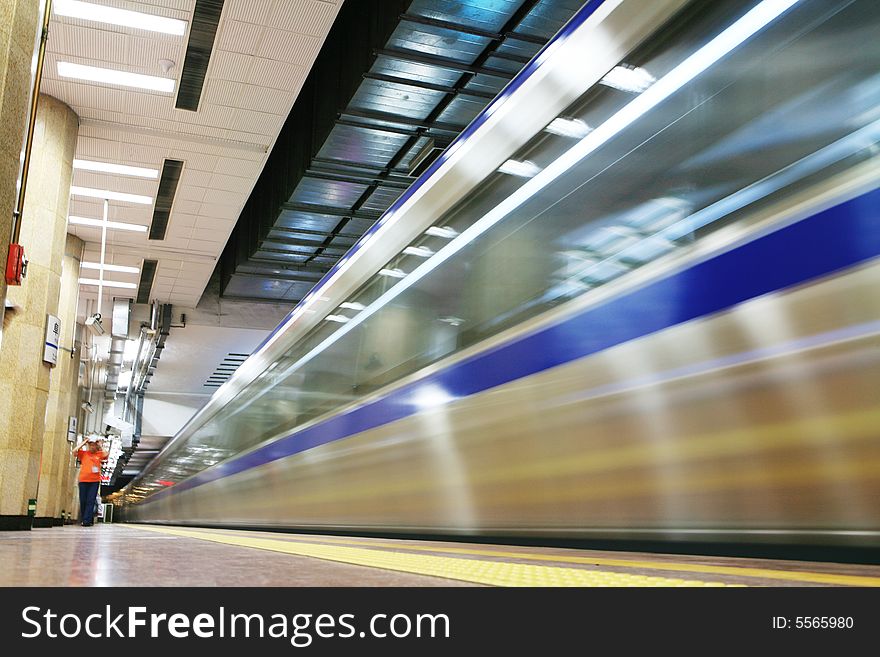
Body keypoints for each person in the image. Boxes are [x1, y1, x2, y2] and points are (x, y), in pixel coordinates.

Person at [74, 436, 107, 527]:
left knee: (91, 500)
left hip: (94, 481)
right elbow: (74, 451)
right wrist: (84, 442)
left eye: (94, 445)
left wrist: (100, 445)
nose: (92, 447)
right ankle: (87, 518)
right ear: (88, 446)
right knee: (83, 500)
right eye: (90, 445)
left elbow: (106, 454)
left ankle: (86, 521)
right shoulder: (84, 454)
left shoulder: (99, 454)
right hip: (83, 480)